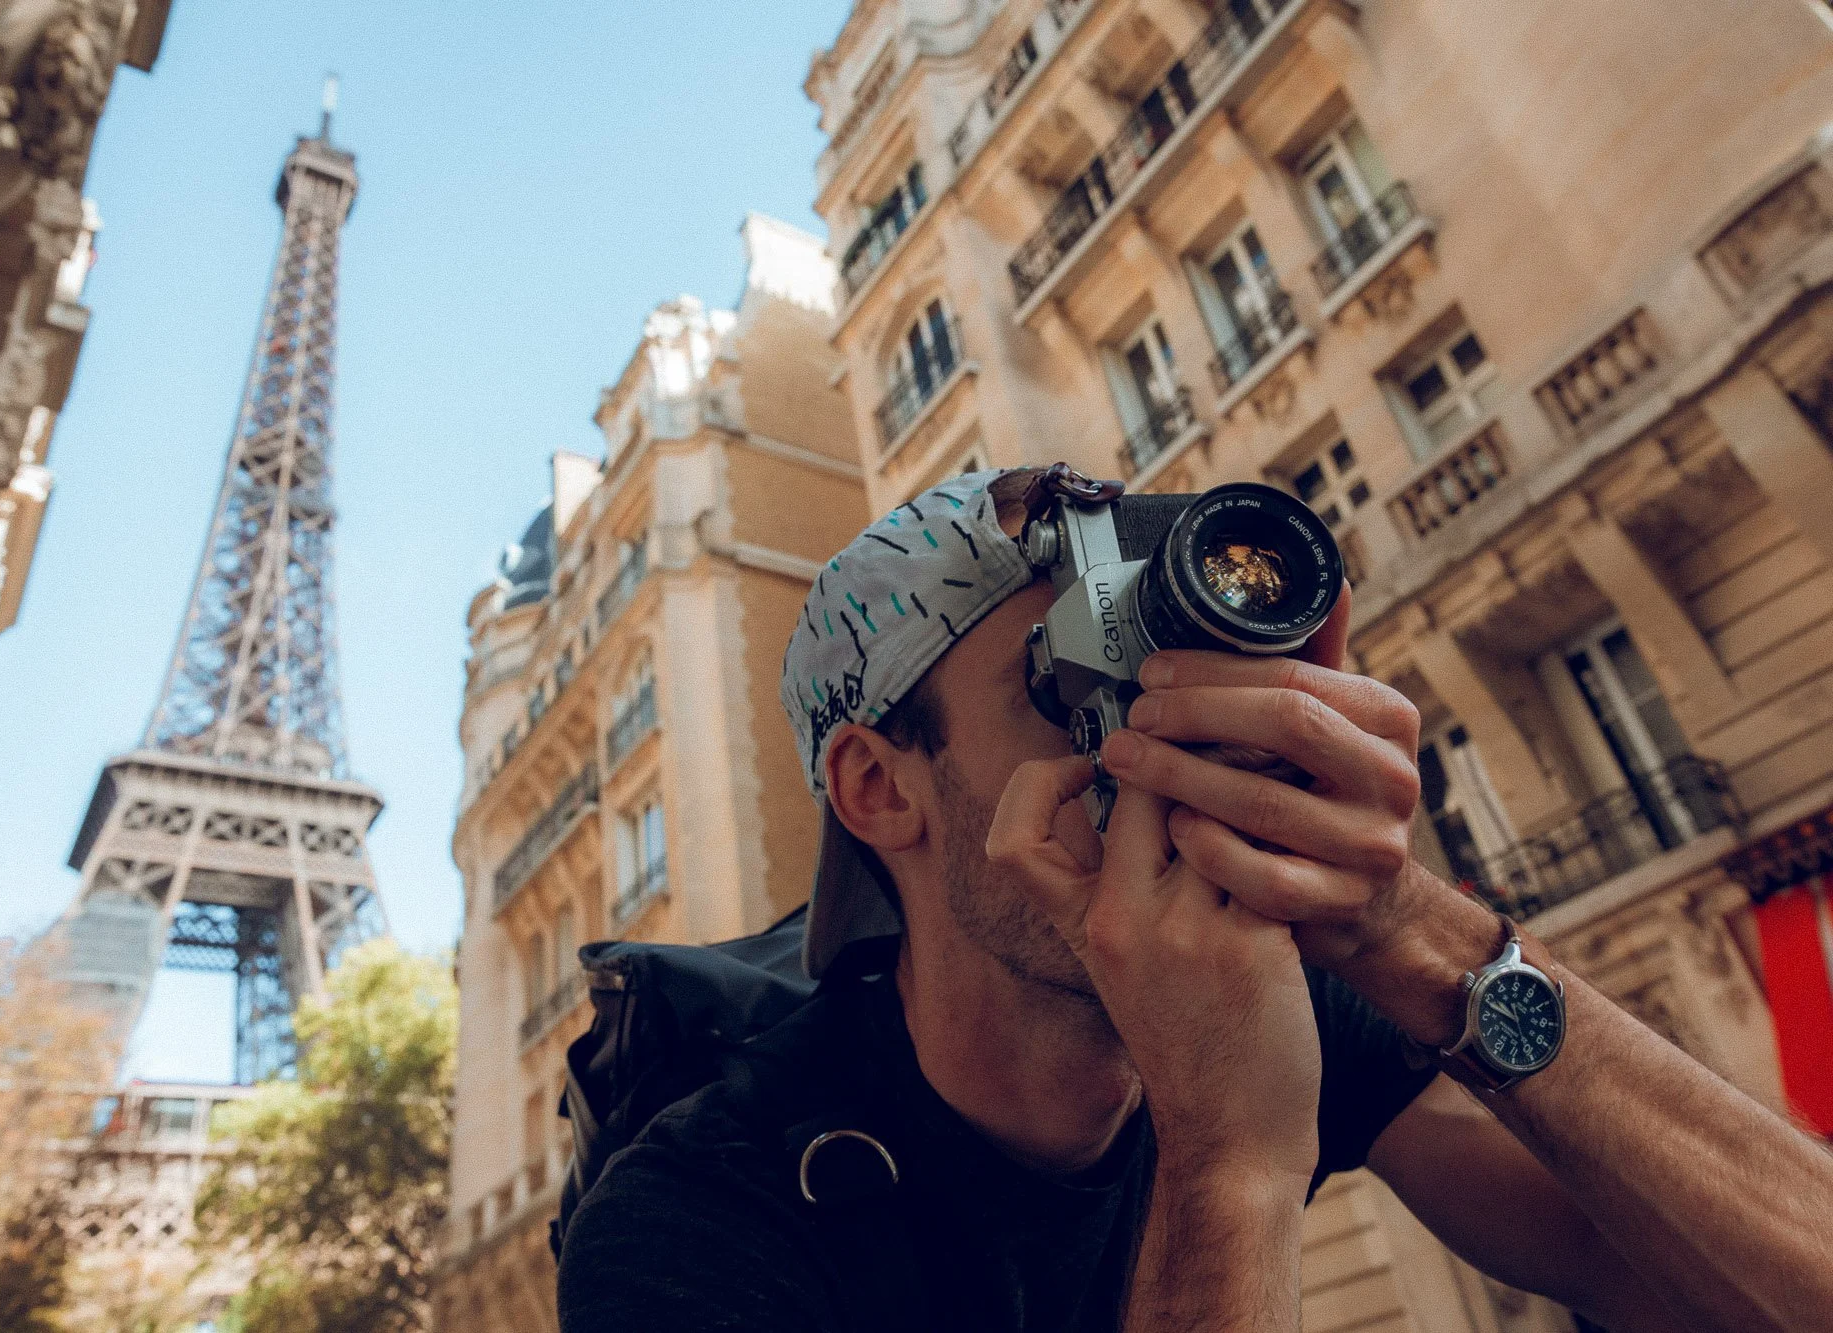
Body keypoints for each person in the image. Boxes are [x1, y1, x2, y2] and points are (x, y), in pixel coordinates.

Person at [557, 466, 1833, 1331]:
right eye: (1071, 688)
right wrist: (1226, 1166)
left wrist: (1409, 931)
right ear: (879, 787)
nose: (1161, 730)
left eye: (1185, 667)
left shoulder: (1306, 1005)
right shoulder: (697, 1220)